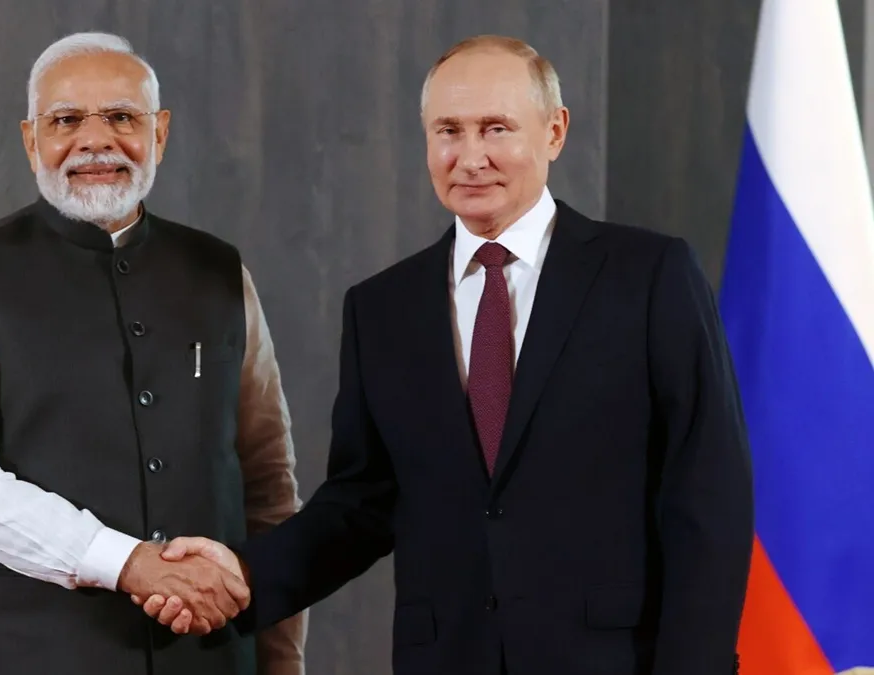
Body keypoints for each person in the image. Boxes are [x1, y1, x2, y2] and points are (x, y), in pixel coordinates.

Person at [140, 35, 754, 674]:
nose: (470, 157)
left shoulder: (649, 276)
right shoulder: (382, 308)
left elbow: (707, 493)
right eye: (448, 131)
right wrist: (244, 572)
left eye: (496, 128)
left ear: (554, 131)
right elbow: (362, 503)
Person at [0, 31, 304, 675]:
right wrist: (126, 562)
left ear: (159, 133)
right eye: (65, 120)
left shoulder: (220, 271)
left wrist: (280, 663)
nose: (95, 141)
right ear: (32, 139)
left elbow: (268, 486)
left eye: (121, 117)